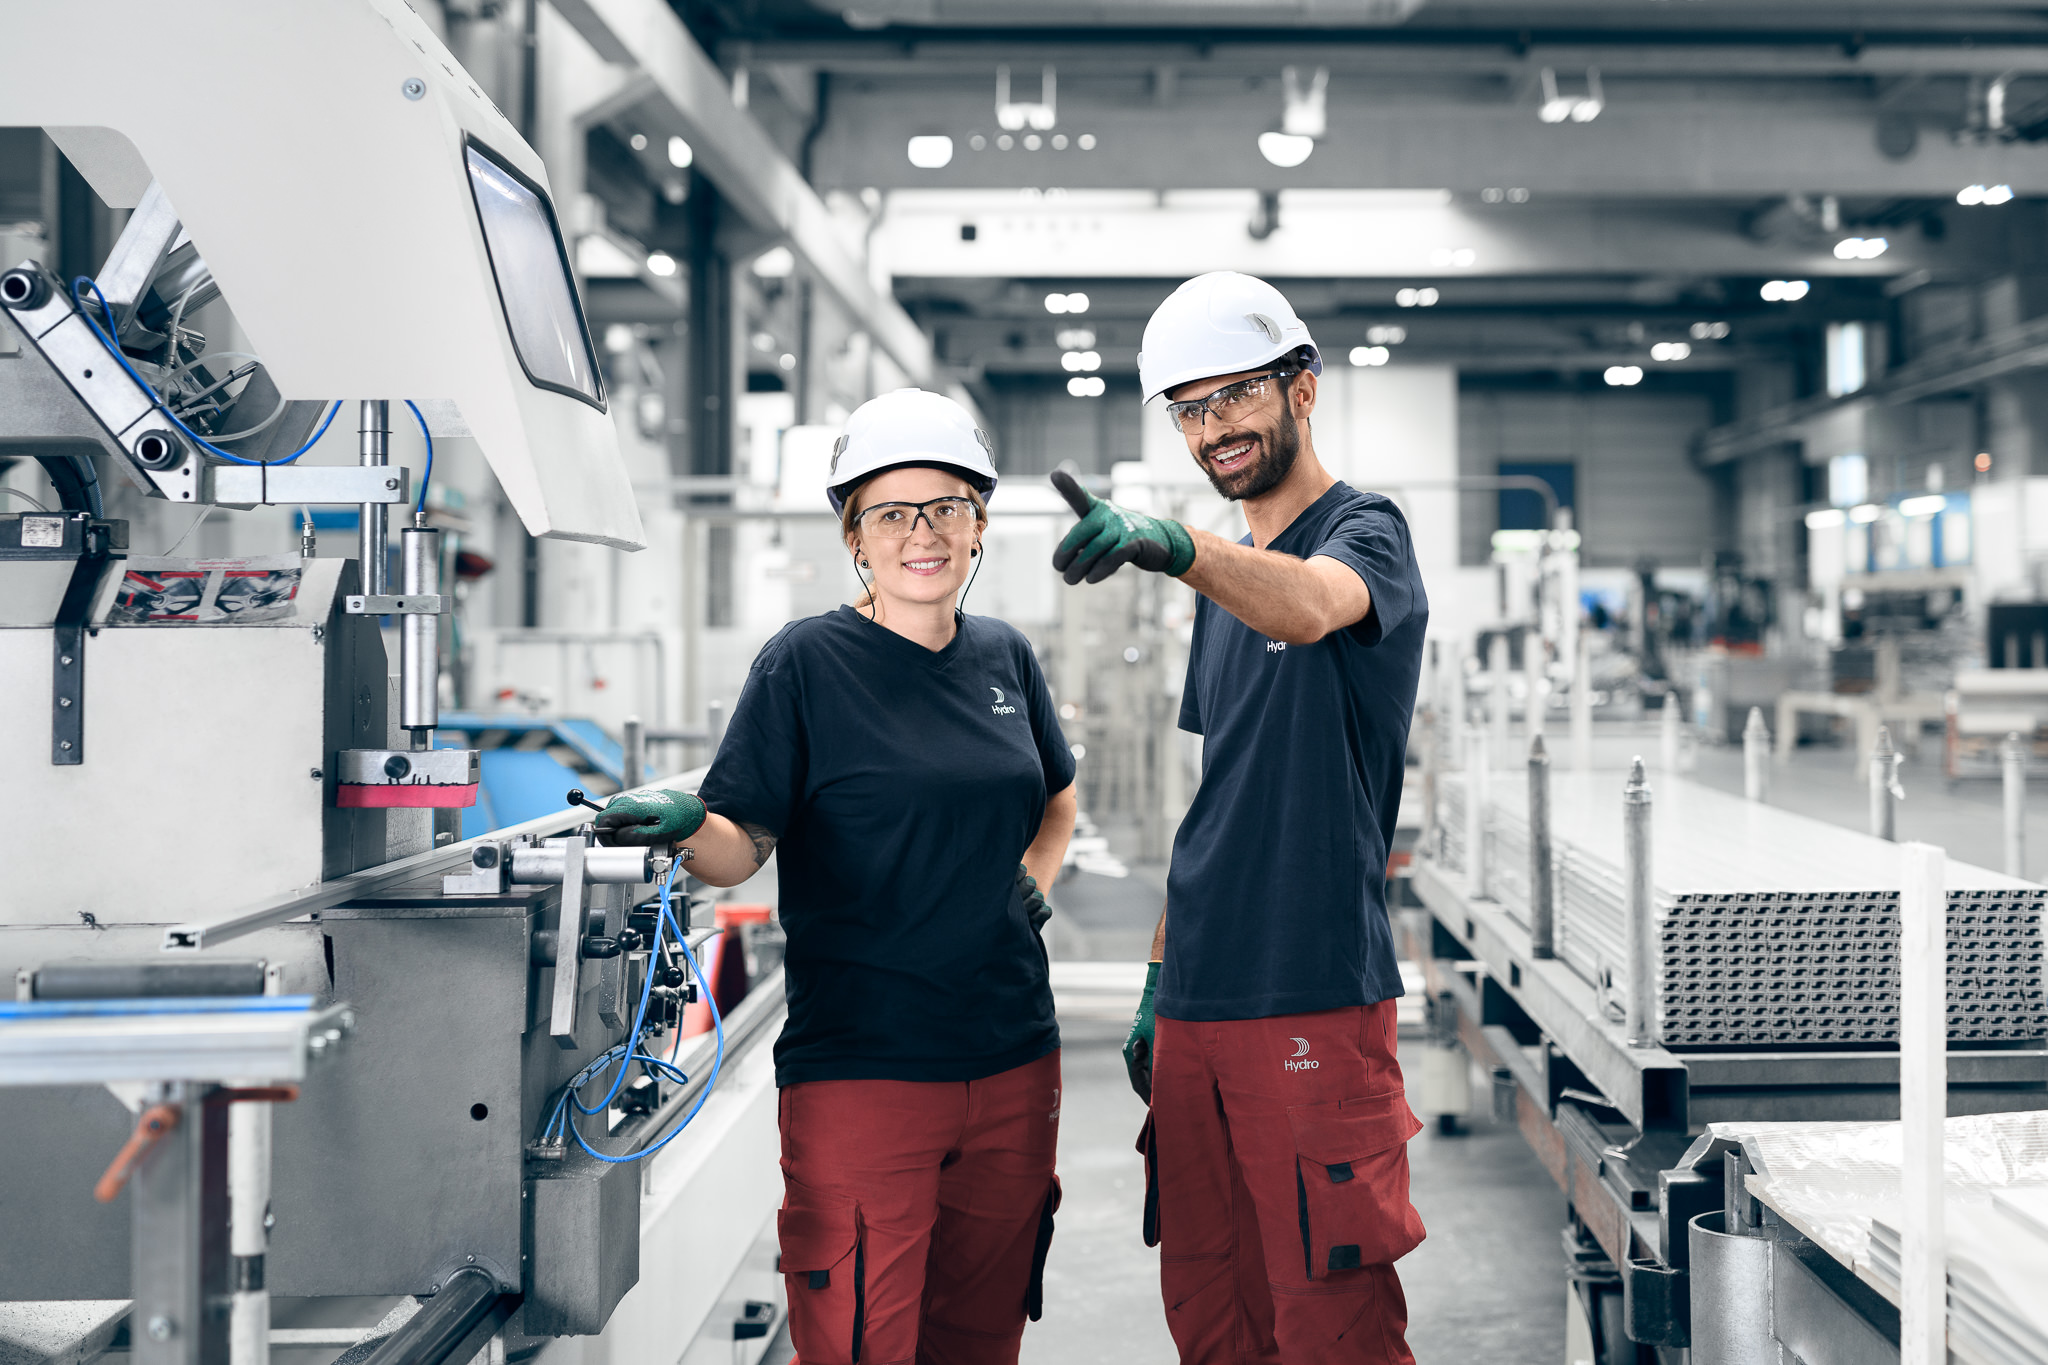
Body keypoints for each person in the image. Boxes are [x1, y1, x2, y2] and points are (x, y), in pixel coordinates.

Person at [597, 388, 1078, 1365]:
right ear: (854, 537)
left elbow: (1056, 799)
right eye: (890, 514)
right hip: (863, 1072)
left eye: (945, 508)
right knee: (860, 1341)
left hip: (1012, 1058)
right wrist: (693, 828)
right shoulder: (804, 664)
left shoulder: (1005, 658)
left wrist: (1036, 876)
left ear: (978, 524)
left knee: (981, 1339)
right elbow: (745, 843)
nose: (921, 534)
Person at [1050, 272, 1429, 1365]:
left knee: (1330, 1318)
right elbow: (1213, 803)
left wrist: (1174, 547)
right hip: (1198, 1009)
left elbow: (1312, 606)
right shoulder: (1223, 596)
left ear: (1300, 388)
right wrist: (1162, 979)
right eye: (1187, 408)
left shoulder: (1365, 534)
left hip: (1310, 988)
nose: (1212, 429)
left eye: (1233, 397)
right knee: (1210, 1308)